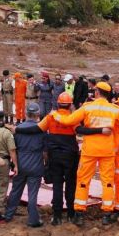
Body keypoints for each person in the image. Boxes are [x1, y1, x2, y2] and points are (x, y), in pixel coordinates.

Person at [53, 82, 119, 226]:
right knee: (107, 182)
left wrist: (55, 115)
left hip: (90, 150)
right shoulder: (114, 110)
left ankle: (79, 213)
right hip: (108, 151)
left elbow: (68, 121)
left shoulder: (88, 107)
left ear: (97, 92)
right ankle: (107, 213)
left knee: (83, 180)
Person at [15, 91, 78, 225]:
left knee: (57, 184)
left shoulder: (50, 117)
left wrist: (18, 129)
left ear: (58, 103)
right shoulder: (74, 118)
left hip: (55, 155)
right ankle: (71, 214)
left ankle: (57, 217)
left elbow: (35, 129)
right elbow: (80, 131)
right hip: (70, 156)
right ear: (70, 105)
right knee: (71, 184)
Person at [3, 103, 45, 228]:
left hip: (20, 163)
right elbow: (46, 151)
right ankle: (33, 219)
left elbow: (12, 148)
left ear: (26, 113)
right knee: (32, 194)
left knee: (16, 190)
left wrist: (14, 163)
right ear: (38, 114)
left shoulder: (18, 129)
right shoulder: (41, 129)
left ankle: (8, 214)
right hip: (36, 163)